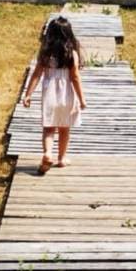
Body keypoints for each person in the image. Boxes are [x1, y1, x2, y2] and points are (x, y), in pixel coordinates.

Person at [23, 16, 87, 174]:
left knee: (49, 128)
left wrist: (28, 94)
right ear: (69, 34)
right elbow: (75, 77)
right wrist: (81, 99)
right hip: (67, 96)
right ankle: (62, 158)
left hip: (49, 95)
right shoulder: (72, 54)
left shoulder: (45, 53)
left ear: (49, 34)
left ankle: (47, 153)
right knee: (65, 128)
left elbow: (36, 74)